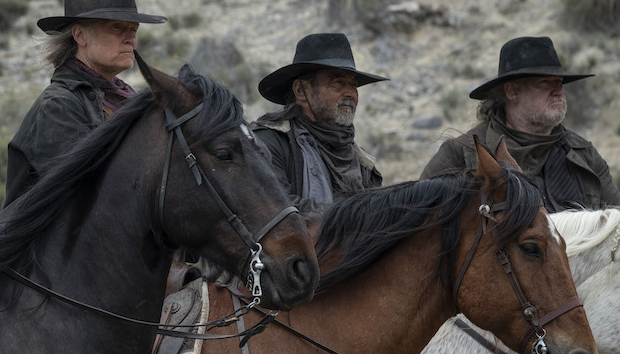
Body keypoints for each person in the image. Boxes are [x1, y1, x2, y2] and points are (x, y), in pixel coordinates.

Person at [3, 0, 167, 207]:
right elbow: (92, 197)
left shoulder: (126, 99)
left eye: (133, 30)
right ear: (80, 35)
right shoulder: (58, 105)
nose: (131, 40)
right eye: (117, 27)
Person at [421, 36, 620, 211]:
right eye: (544, 82)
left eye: (559, 82)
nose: (558, 91)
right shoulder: (460, 155)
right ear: (512, 91)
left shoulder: (583, 155)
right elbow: (418, 228)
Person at [252, 32, 388, 212]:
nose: (350, 93)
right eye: (338, 83)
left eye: (354, 85)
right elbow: (279, 211)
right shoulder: (269, 143)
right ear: (300, 90)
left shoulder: (359, 158)